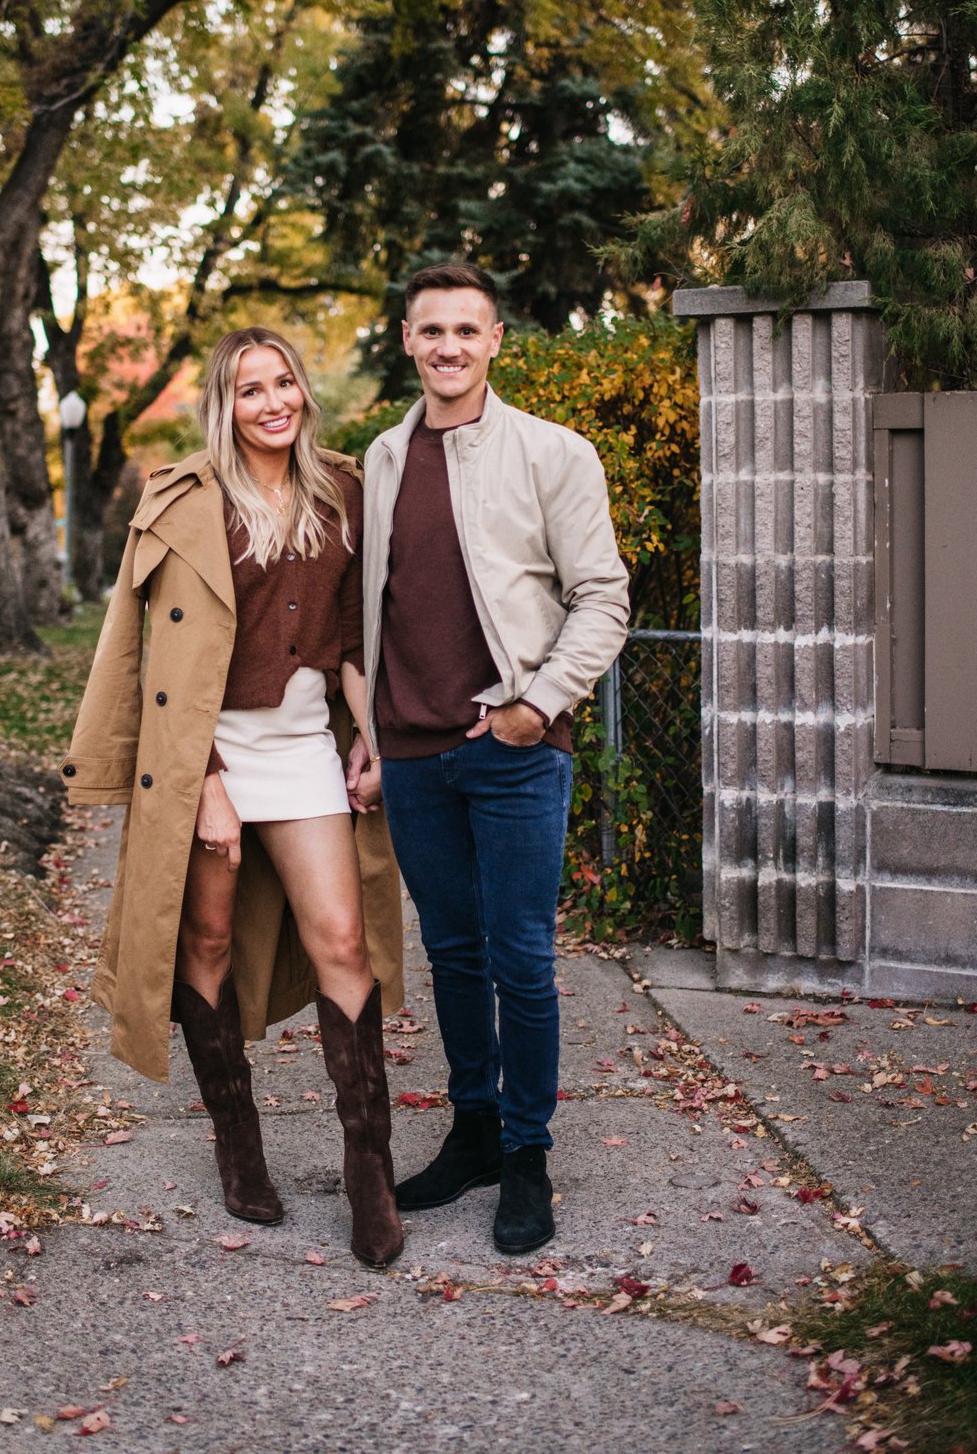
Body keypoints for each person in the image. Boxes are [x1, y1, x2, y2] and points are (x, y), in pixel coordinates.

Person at [60, 327, 405, 1269]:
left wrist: (372, 738)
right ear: (227, 404)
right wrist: (204, 782)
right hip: (205, 752)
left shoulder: (341, 493)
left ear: (303, 390)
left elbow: (350, 645)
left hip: (299, 745)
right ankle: (236, 1138)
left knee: (344, 939)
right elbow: (159, 660)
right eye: (250, 390)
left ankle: (367, 1168)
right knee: (204, 938)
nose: (272, 402)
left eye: (284, 381)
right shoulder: (186, 503)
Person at [348, 263, 629, 1255]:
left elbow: (602, 598)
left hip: (512, 752)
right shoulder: (379, 460)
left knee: (520, 959)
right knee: (453, 957)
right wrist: (367, 733)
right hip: (415, 755)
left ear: (495, 340)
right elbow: (368, 611)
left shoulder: (554, 455)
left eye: (467, 331)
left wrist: (536, 705)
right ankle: (470, 1131)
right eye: (431, 331)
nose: (449, 347)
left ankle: (526, 1156)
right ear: (406, 340)